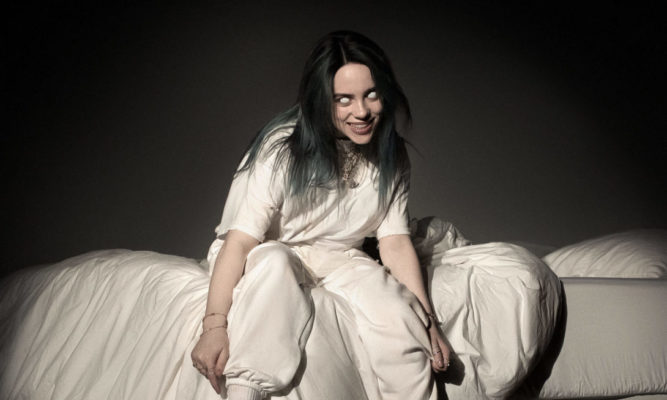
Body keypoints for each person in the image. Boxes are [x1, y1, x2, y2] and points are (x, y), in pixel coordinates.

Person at [191, 30, 451, 400]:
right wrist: (214, 325)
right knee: (276, 264)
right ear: (320, 100)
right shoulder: (282, 147)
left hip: (341, 257)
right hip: (264, 251)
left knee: (397, 314)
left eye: (371, 94)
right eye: (344, 99)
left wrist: (428, 320)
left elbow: (393, 241)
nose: (361, 112)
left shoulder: (392, 154)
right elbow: (241, 242)